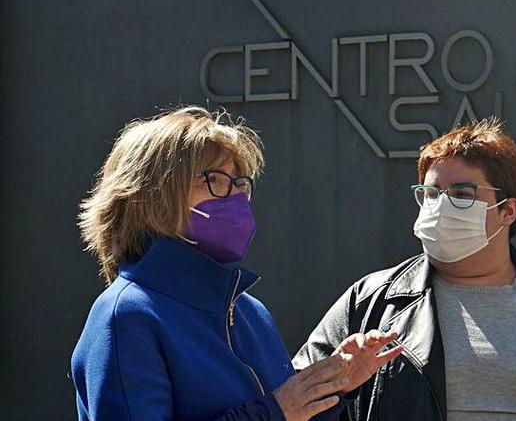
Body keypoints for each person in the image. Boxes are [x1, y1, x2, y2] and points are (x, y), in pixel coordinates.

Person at [71, 106, 402, 421]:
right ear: (154, 195)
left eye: (240, 183)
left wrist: (330, 389)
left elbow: (283, 412)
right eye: (215, 180)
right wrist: (274, 412)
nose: (235, 198)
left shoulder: (249, 310)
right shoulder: (127, 316)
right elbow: (275, 411)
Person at [294, 118, 516, 421]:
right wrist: (341, 383)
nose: (440, 207)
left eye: (462, 194)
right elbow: (294, 399)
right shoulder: (372, 301)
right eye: (431, 194)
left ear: (507, 210)